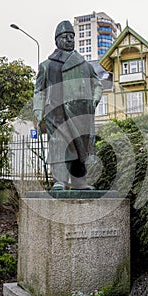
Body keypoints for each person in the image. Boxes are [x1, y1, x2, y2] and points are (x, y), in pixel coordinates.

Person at [33, 20, 103, 190]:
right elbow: (39, 91)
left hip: (79, 113)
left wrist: (94, 100)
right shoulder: (46, 66)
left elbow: (97, 85)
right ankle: (60, 181)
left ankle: (79, 182)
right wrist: (38, 109)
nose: (70, 40)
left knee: (80, 148)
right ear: (57, 40)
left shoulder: (85, 65)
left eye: (72, 36)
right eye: (65, 36)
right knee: (59, 145)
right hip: (56, 113)